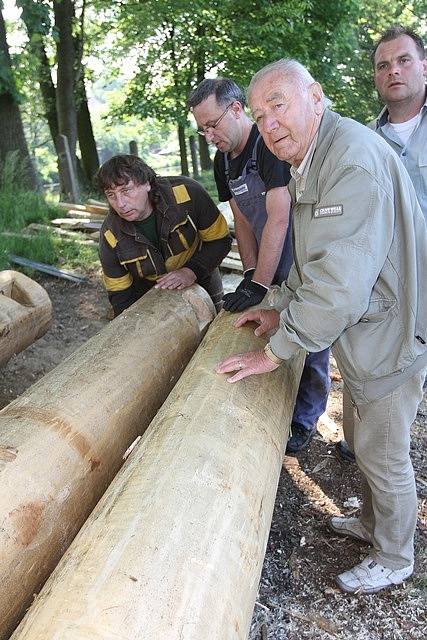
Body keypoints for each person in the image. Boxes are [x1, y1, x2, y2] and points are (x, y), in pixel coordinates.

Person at [216, 59, 427, 594]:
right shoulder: (317, 154)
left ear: (316, 95)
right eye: (260, 116)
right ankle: (374, 524)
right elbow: (315, 265)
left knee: (383, 454)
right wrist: (278, 305)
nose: (269, 125)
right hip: (367, 332)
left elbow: (337, 288)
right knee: (360, 438)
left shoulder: (349, 160)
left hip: (390, 335)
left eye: (279, 105)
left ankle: (396, 555)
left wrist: (277, 349)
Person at [188, 78, 330, 453]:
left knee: (309, 337)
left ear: (236, 110)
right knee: (265, 326)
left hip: (297, 256)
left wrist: (262, 282)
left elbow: (279, 218)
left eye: (213, 124)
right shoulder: (223, 163)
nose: (209, 134)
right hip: (266, 261)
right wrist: (251, 276)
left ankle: (305, 418)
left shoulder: (266, 146)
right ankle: (273, 402)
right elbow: (243, 221)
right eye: (202, 128)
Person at [337, 25, 427, 463]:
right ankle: (374, 513)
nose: (394, 71)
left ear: (424, 66)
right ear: (375, 78)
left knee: (391, 431)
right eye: (383, 65)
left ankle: (392, 525)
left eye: (404, 60)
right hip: (388, 296)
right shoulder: (365, 143)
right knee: (381, 411)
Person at [97, 154, 231, 317]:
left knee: (214, 328)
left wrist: (191, 271)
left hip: (202, 274)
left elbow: (220, 240)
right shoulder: (110, 234)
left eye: (126, 190)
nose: (120, 204)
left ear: (146, 183)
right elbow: (120, 295)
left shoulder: (187, 193)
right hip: (149, 293)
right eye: (111, 195)